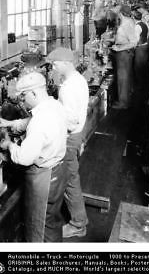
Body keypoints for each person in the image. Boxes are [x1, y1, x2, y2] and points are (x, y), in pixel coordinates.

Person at [0, 71, 69, 242]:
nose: (23, 103)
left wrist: (9, 145)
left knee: (37, 227)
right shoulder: (54, 105)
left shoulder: (40, 121)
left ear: (34, 93)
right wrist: (10, 124)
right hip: (59, 170)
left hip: (44, 178)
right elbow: (31, 121)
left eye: (23, 98)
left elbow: (24, 158)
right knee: (50, 221)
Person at [46, 47, 89, 238]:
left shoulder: (70, 87)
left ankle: (78, 224)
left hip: (69, 138)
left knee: (70, 181)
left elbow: (71, 121)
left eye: (55, 64)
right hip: (76, 135)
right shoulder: (76, 79)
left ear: (65, 63)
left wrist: (51, 115)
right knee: (71, 178)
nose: (53, 68)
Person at [111, 5, 138, 109]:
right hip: (125, 52)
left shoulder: (126, 23)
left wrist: (119, 48)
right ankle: (127, 96)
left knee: (123, 78)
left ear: (120, 13)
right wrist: (115, 40)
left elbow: (133, 42)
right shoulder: (127, 21)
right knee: (127, 77)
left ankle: (123, 103)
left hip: (123, 54)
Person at [132, 10, 149, 107]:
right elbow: (147, 35)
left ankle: (139, 90)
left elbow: (135, 41)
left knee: (138, 68)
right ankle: (144, 87)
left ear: (133, 18)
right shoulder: (145, 24)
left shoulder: (137, 27)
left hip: (140, 50)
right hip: (146, 47)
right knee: (144, 67)